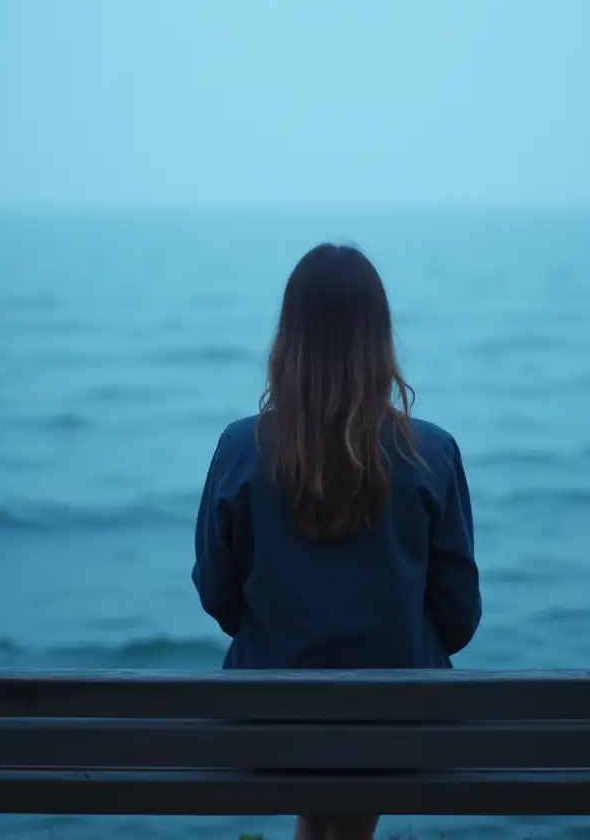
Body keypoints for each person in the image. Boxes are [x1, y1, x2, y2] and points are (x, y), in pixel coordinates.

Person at [192, 243, 482, 840]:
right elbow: (459, 618)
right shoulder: (431, 452)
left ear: (288, 339)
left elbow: (217, 595)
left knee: (325, 753)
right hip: (401, 725)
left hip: (267, 722)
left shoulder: (240, 449)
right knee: (364, 733)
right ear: (380, 341)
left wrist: (290, 628)